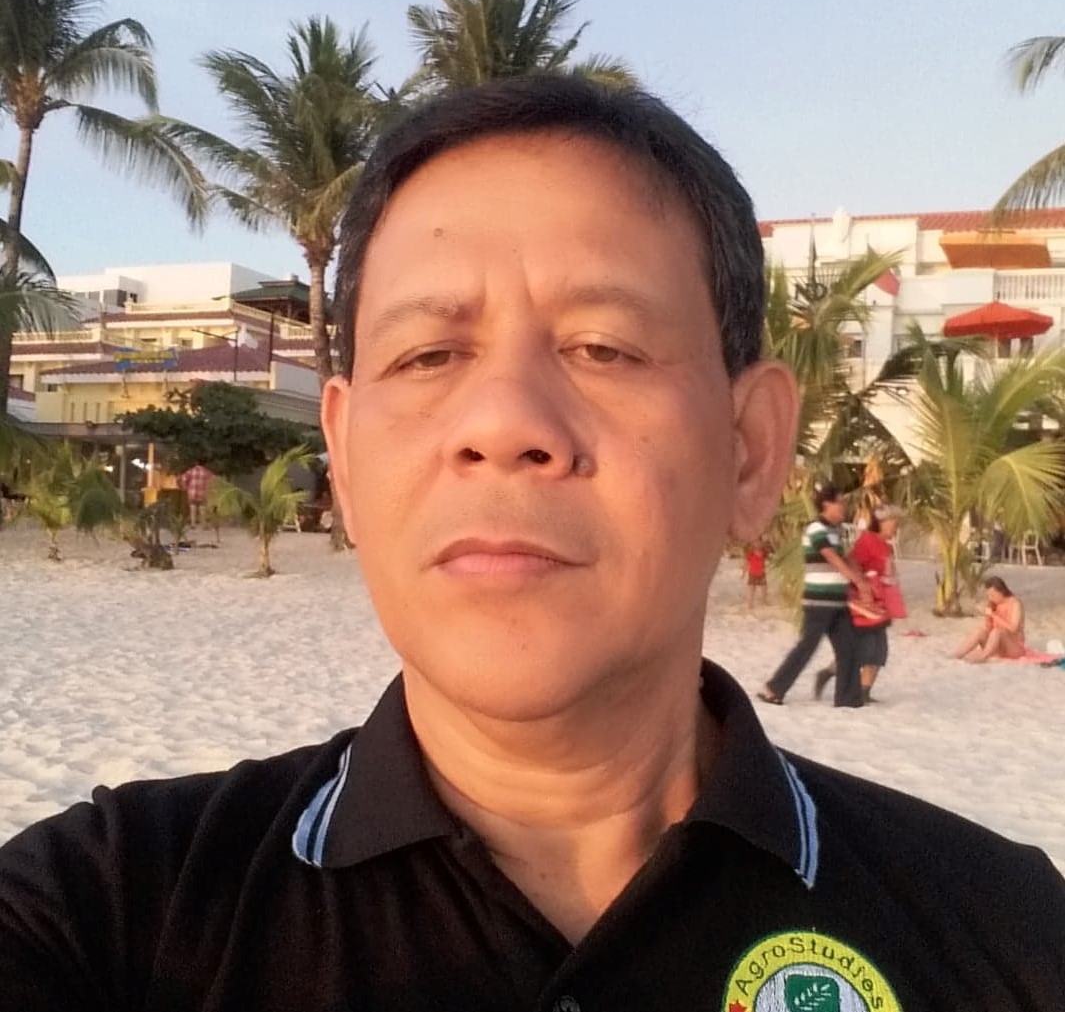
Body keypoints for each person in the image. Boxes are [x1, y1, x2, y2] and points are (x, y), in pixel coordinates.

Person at [1, 77, 1062, 1011]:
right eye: (427, 354)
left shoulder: (1005, 933)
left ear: (748, 451)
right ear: (347, 459)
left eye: (603, 346)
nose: (504, 420)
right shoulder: (109, 909)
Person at [758, 485, 870, 708]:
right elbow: (831, 558)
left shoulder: (835, 530)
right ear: (827, 504)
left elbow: (843, 558)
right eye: (840, 502)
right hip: (818, 601)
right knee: (807, 646)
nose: (844, 507)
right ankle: (774, 688)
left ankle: (848, 698)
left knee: (848, 648)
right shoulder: (816, 528)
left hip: (837, 600)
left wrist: (860, 579)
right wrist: (858, 581)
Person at [814, 503, 907, 704]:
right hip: (865, 604)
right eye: (893, 523)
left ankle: (864, 690)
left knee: (879, 650)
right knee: (864, 648)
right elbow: (852, 562)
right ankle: (830, 673)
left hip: (880, 604)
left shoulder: (886, 546)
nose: (895, 527)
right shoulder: (867, 540)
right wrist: (864, 584)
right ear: (881, 523)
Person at [954, 575, 1027, 661]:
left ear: (1001, 591)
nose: (990, 598)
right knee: (980, 631)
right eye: (988, 595)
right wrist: (987, 615)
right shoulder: (993, 604)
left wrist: (993, 615)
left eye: (992, 595)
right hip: (996, 646)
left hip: (1013, 647)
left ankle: (982, 657)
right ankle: (958, 654)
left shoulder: (1015, 603)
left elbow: (1013, 628)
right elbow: (988, 628)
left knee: (998, 631)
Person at [178, 460, 214, 527]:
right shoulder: (207, 472)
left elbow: (183, 478)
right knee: (202, 509)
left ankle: (193, 524)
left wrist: (185, 487)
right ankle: (204, 525)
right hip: (203, 493)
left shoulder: (191, 471)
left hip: (192, 492)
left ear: (196, 463)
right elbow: (213, 480)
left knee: (192, 509)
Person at [744, 536, 771, 609]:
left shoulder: (764, 552)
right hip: (752, 574)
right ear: (753, 543)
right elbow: (746, 563)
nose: (758, 544)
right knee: (752, 589)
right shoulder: (750, 553)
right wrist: (743, 573)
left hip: (762, 574)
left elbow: (768, 559)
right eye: (756, 542)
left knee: (764, 588)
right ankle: (750, 604)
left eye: (759, 542)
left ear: (762, 543)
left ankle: (764, 601)